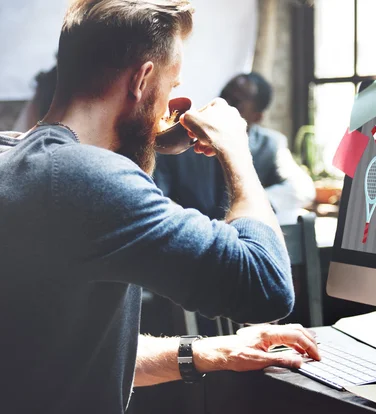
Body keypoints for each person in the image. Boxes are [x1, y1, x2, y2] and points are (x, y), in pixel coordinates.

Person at [0, 1, 319, 413]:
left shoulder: (16, 156)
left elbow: (65, 354)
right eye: (171, 87)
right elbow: (267, 286)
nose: (169, 105)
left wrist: (214, 351)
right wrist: (237, 151)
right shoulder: (85, 177)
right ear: (143, 79)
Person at [154, 72, 315, 223]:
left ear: (257, 116)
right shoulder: (182, 140)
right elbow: (157, 196)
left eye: (236, 102)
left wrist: (250, 206)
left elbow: (302, 188)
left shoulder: (270, 144)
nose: (224, 104)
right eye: (223, 95)